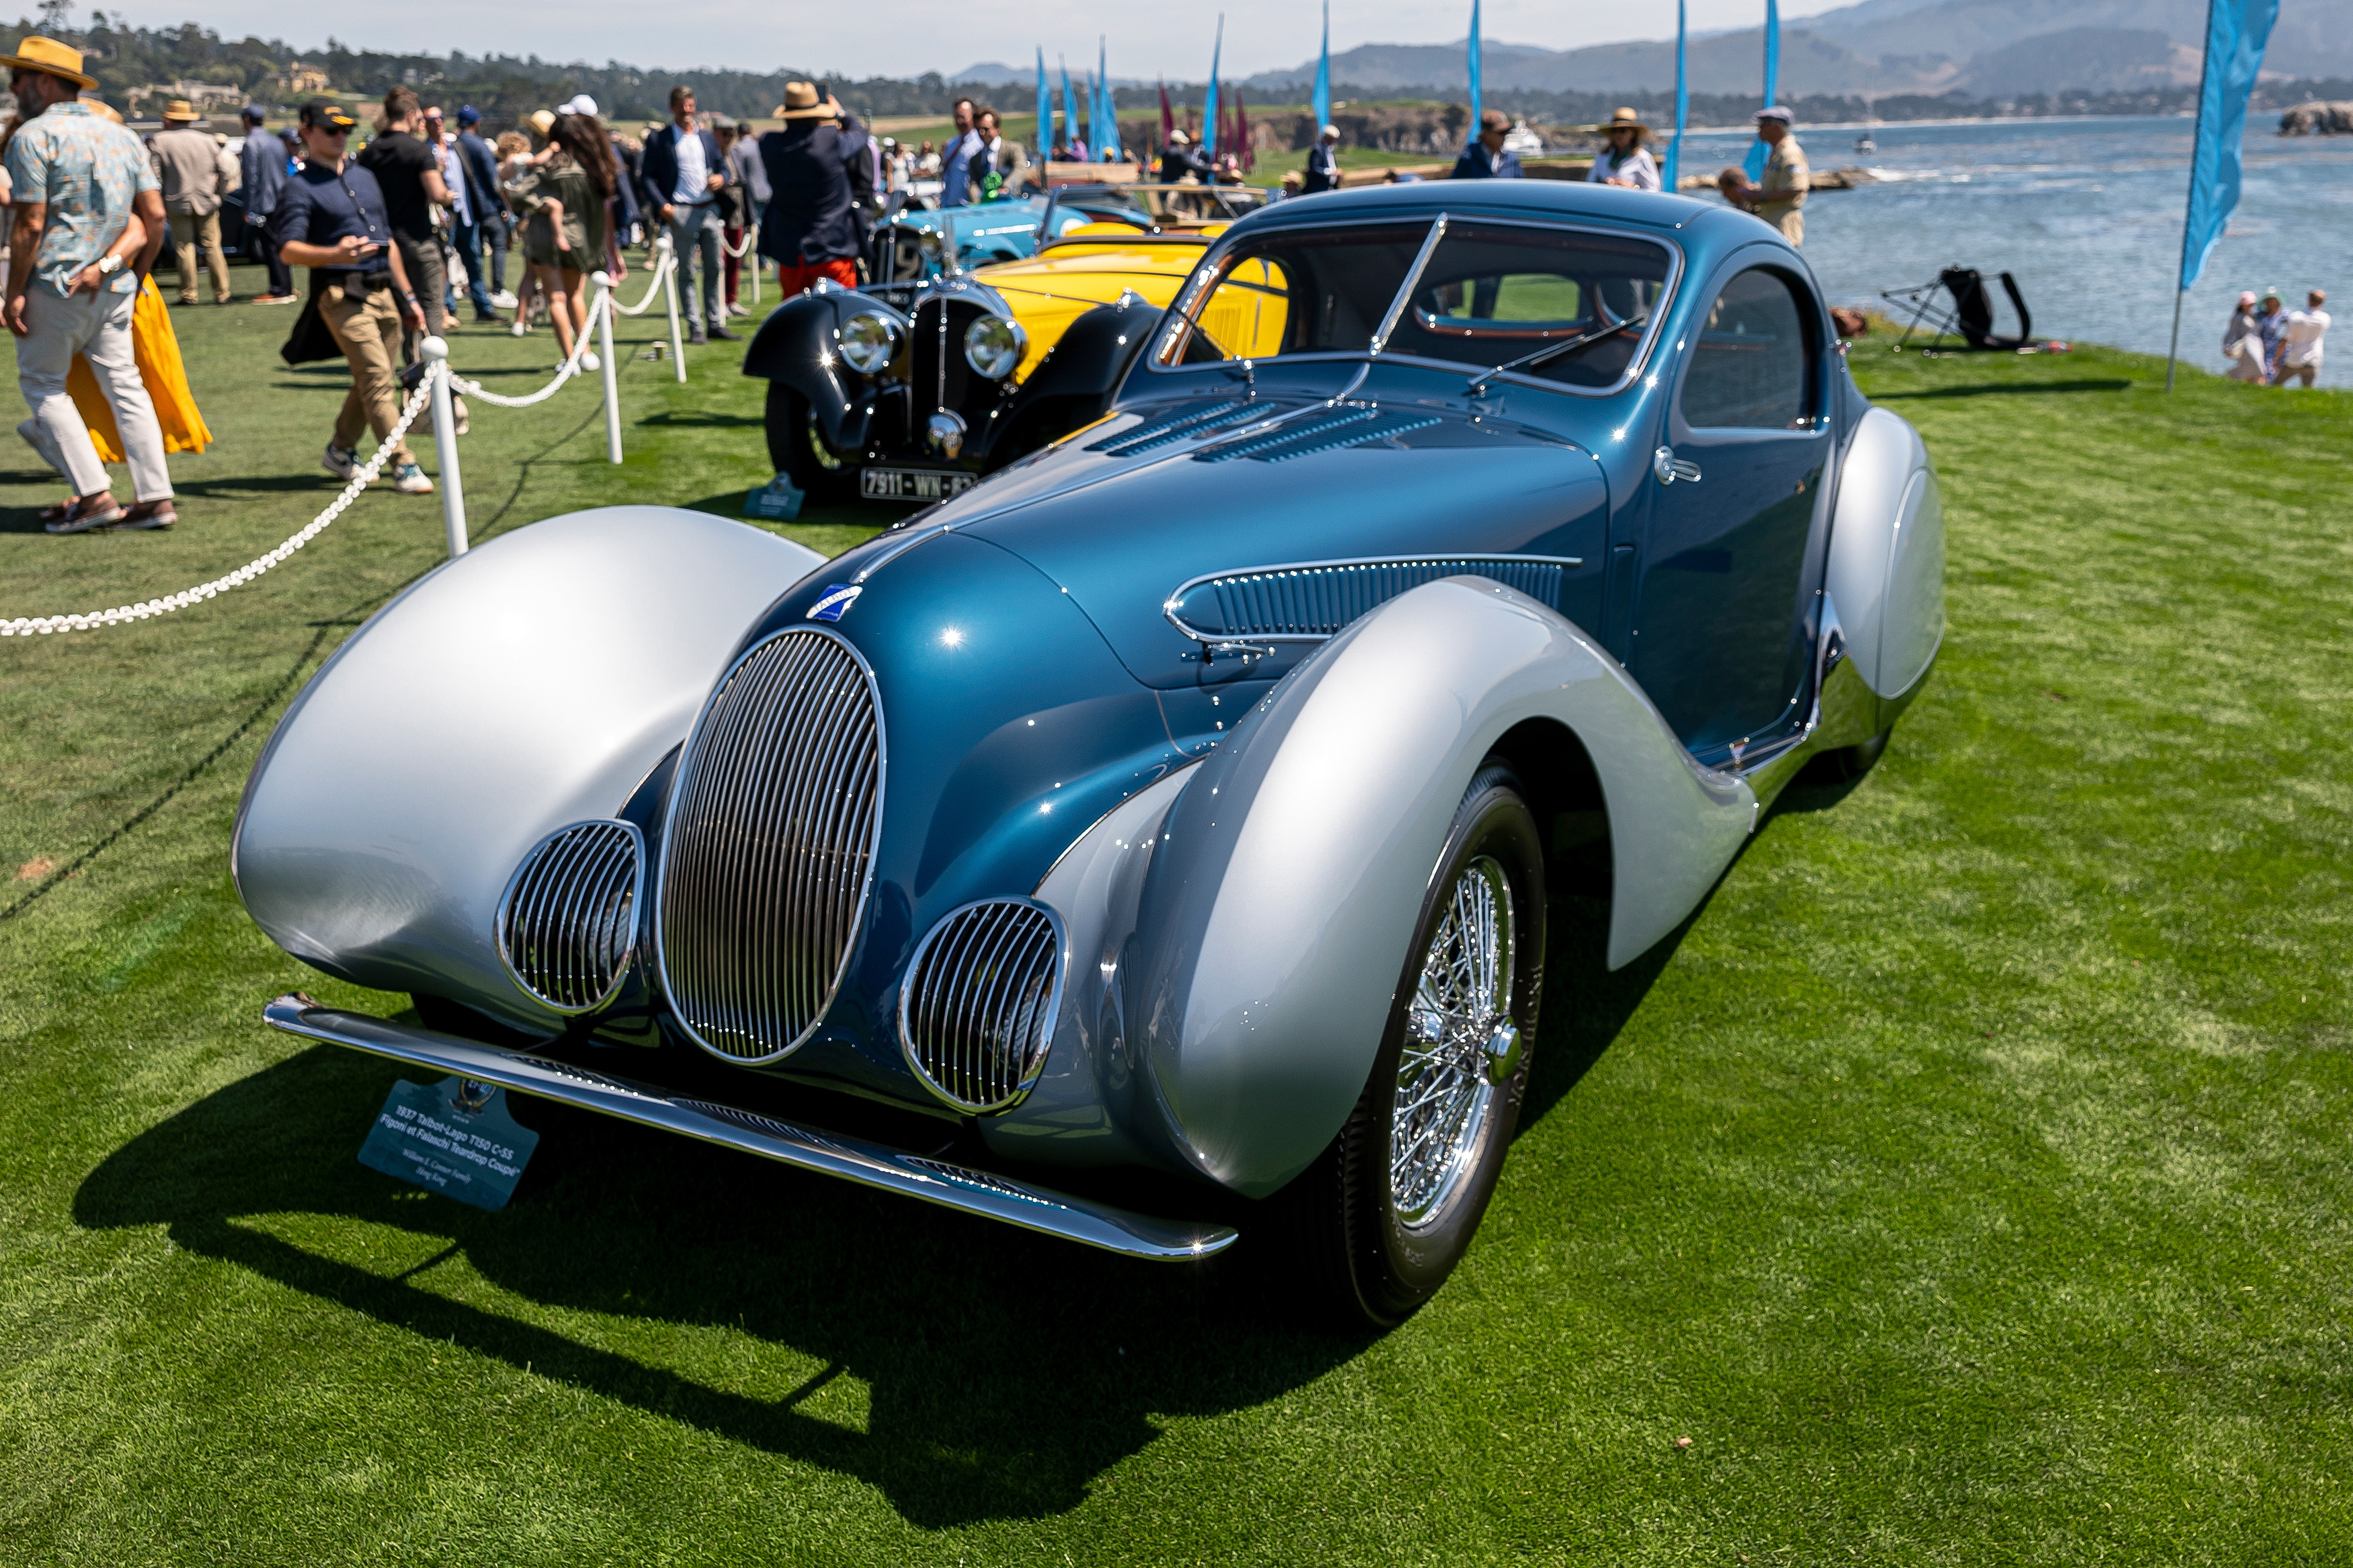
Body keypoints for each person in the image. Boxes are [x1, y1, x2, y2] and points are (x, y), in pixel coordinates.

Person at [2, 33, 176, 532]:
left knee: (44, 386)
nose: (14, 88)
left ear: (41, 81)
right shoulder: (121, 135)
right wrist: (134, 276)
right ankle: (155, 498)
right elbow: (155, 217)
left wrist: (14, 291)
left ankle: (95, 496)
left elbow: (30, 223)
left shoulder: (33, 137)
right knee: (126, 386)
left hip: (54, 284)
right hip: (114, 285)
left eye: (17, 78)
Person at [270, 96, 432, 496]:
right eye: (331, 130)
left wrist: (410, 300)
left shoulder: (365, 177)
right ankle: (403, 463)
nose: (340, 137)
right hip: (340, 294)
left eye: (345, 129)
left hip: (383, 291)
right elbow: (288, 250)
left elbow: (387, 242)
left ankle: (341, 450)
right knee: (378, 380)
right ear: (306, 132)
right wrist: (335, 255)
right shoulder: (298, 187)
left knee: (371, 380)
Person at [507, 111, 616, 363]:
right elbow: (598, 216)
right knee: (575, 295)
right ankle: (585, 351)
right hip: (579, 240)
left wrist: (545, 204)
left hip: (544, 238)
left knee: (555, 297)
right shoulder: (593, 168)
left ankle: (570, 358)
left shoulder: (551, 164)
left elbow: (518, 193)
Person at [355, 86, 454, 361]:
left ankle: (412, 369)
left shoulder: (370, 152)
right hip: (419, 239)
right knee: (432, 305)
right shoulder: (419, 151)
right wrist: (448, 194)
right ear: (411, 115)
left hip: (385, 243)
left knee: (401, 310)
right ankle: (436, 370)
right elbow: (437, 194)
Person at [758, 80, 869, 296]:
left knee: (796, 320)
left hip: (791, 251)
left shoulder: (769, 144)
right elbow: (860, 134)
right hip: (833, 248)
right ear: (818, 114)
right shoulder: (830, 141)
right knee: (841, 317)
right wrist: (840, 113)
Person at [640, 85, 732, 343]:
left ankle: (715, 322)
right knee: (687, 272)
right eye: (682, 106)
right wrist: (662, 205)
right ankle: (696, 327)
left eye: (690, 105)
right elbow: (646, 178)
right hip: (679, 210)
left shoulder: (706, 138)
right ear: (673, 108)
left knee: (715, 267)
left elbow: (724, 168)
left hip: (709, 210)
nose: (687, 111)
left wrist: (720, 179)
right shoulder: (660, 139)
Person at [149, 98, 232, 305]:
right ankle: (222, 293)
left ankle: (189, 294)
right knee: (213, 246)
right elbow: (225, 171)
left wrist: (161, 200)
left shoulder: (160, 141)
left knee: (185, 248)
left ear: (169, 120)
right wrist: (219, 196)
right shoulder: (207, 140)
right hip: (207, 201)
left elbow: (155, 176)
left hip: (177, 202)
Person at [449, 106, 507, 322]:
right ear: (476, 123)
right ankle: (488, 300)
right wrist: (503, 205)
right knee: (486, 253)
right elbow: (494, 180)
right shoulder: (479, 145)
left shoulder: (453, 144)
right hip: (480, 209)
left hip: (460, 208)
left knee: (452, 258)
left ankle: (450, 306)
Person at [1728, 105, 1808, 244]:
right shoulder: (1777, 153)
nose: (1759, 129)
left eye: (1764, 124)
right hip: (1773, 222)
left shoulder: (1789, 153)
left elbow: (1795, 190)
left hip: (1784, 225)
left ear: (1777, 126)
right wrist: (1758, 192)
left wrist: (1760, 197)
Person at [238, 104, 295, 301]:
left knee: (270, 246)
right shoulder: (276, 141)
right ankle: (287, 286)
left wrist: (249, 208)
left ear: (247, 120)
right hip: (281, 200)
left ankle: (279, 289)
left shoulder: (251, 143)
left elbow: (250, 178)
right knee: (280, 244)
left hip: (264, 204)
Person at [1587, 106, 1659, 191]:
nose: (1618, 134)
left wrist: (1631, 187)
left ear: (1632, 133)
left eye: (1622, 131)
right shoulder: (1603, 156)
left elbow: (1654, 190)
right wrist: (1605, 184)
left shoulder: (1642, 158)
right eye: (1615, 131)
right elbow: (1590, 184)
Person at [1451, 111, 1524, 179]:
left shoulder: (1512, 160)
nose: (1505, 136)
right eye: (1501, 132)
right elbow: (1455, 189)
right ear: (1487, 134)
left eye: (1507, 131)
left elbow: (1521, 190)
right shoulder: (1469, 158)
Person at [2278, 289, 2328, 388]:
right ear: (2322, 302)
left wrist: (2276, 359)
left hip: (2293, 360)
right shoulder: (2325, 319)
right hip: (2313, 360)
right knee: (2308, 392)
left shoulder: (2295, 317)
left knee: (2274, 386)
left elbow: (2285, 340)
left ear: (2308, 300)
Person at [938, 97, 981, 208]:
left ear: (973, 117)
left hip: (969, 207)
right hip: (949, 207)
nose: (959, 121)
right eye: (956, 117)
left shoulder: (980, 144)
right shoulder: (952, 144)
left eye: (963, 117)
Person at [2221, 291, 2265, 382]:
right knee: (2258, 367)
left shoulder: (2254, 315)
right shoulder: (2238, 318)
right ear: (2242, 305)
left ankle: (2252, 387)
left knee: (2255, 368)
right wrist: (2227, 346)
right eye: (2248, 304)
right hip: (2247, 345)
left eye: (2251, 304)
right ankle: (2230, 376)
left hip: (2257, 345)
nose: (2250, 306)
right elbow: (2232, 332)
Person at [2254, 288, 2288, 382]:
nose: (2271, 303)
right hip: (2261, 347)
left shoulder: (2284, 316)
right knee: (2262, 372)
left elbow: (2288, 333)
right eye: (2269, 300)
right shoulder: (2259, 315)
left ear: (2278, 302)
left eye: (2273, 300)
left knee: (2273, 372)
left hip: (2277, 348)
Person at [1302, 124, 1340, 194]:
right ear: (1328, 138)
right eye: (1333, 139)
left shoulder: (1330, 150)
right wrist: (1331, 172)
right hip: (1319, 189)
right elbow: (1315, 168)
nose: (1334, 141)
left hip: (1330, 188)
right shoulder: (1318, 150)